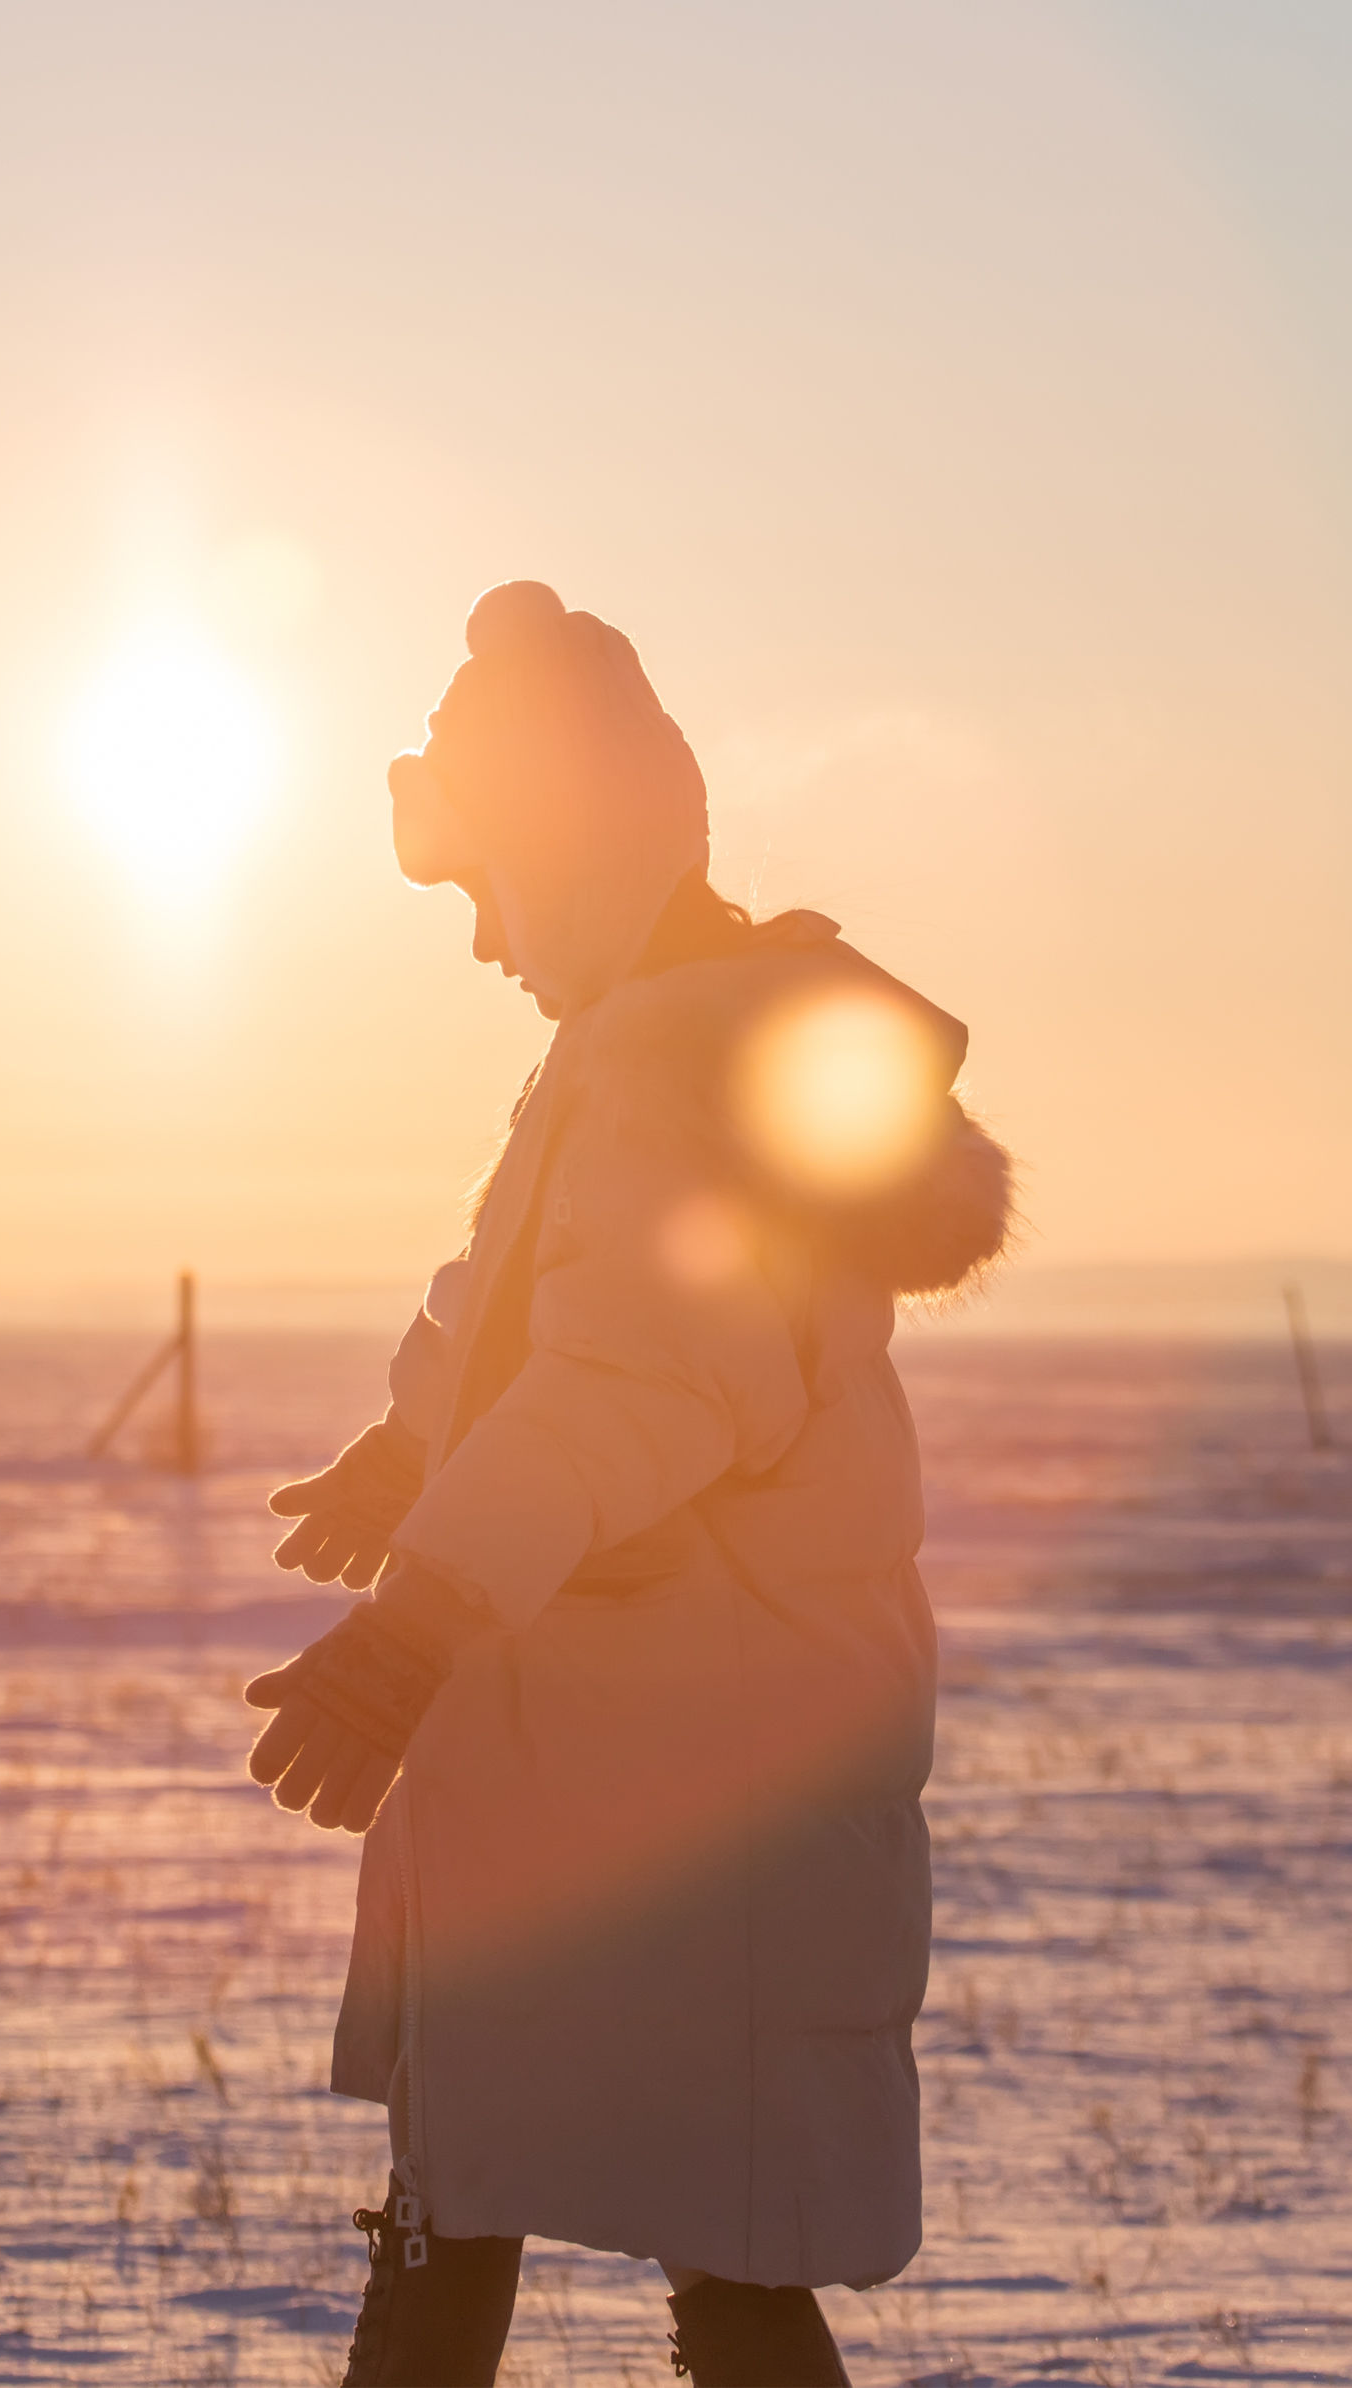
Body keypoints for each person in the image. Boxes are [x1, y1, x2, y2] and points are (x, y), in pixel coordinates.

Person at [241, 581, 1012, 2386]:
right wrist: (414, 1447)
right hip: (614, 1760)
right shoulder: (655, 1042)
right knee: (497, 2188)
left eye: (491, 887)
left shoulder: (675, 1065)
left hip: (681, 1772)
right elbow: (513, 1304)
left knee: (712, 2249)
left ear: (569, 857)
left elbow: (626, 1387)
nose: (484, 941)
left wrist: (419, 1616)